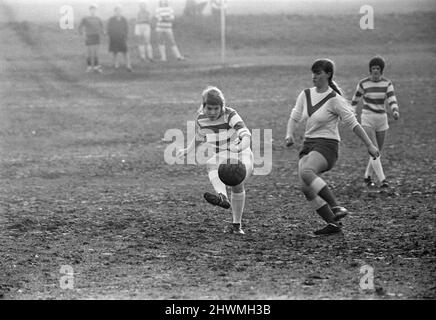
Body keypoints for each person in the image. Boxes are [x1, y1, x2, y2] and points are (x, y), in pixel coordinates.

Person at [285, 59, 380, 236]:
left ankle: (335, 206)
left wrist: (370, 145)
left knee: (306, 172)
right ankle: (333, 224)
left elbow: (353, 123)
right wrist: (289, 134)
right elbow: (295, 116)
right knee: (306, 188)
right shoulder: (305, 94)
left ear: (328, 74)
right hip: (308, 145)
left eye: (318, 73)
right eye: (313, 73)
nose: (314, 76)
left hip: (327, 145)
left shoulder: (335, 99)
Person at [177, 86, 253, 235]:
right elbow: (201, 136)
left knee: (236, 182)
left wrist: (237, 149)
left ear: (222, 107)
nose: (212, 112)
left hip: (242, 152)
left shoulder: (230, 115)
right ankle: (222, 197)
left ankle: (236, 225)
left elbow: (246, 136)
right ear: (203, 106)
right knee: (211, 163)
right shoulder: (201, 119)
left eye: (216, 109)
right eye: (209, 108)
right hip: (223, 155)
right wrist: (187, 150)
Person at [351, 56, 400, 188]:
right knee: (374, 148)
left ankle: (367, 177)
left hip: (381, 119)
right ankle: (383, 180)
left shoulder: (387, 83)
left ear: (381, 70)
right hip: (367, 118)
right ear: (370, 70)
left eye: (378, 68)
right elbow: (355, 100)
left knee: (377, 151)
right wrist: (351, 113)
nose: (375, 71)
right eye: (373, 68)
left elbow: (392, 99)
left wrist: (395, 110)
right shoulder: (363, 83)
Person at [78, 4, 104, 73]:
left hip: (96, 37)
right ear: (89, 10)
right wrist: (82, 34)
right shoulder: (85, 18)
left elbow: (101, 27)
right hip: (88, 37)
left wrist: (103, 32)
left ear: (96, 10)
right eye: (91, 9)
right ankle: (89, 67)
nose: (93, 10)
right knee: (88, 53)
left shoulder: (98, 18)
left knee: (96, 53)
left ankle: (96, 67)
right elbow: (80, 27)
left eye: (94, 9)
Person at [107, 5, 132, 71]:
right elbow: (109, 29)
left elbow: (126, 28)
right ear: (114, 12)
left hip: (122, 37)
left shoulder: (124, 19)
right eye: (117, 11)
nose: (118, 12)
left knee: (125, 51)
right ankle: (116, 64)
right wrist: (110, 36)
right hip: (114, 38)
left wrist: (126, 36)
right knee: (115, 51)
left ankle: (128, 64)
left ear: (121, 12)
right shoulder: (111, 19)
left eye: (119, 11)